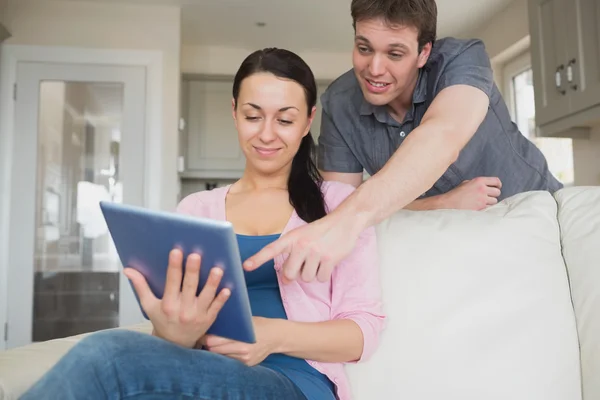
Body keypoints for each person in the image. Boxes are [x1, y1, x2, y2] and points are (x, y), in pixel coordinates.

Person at [20, 48, 384, 400]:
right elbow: (178, 342)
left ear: (307, 121)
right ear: (234, 112)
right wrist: (173, 331)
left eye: (285, 119)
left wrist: (273, 336)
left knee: (108, 357)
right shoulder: (196, 208)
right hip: (201, 376)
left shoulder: (339, 206)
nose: (267, 134)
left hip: (293, 385)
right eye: (253, 116)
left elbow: (362, 332)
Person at [243, 0, 563, 283]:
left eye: (395, 53)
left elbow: (442, 135)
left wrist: (346, 220)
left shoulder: (462, 60)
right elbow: (343, 200)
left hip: (537, 219)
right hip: (441, 246)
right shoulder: (340, 102)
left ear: (424, 52)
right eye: (364, 48)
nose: (374, 69)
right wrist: (439, 204)